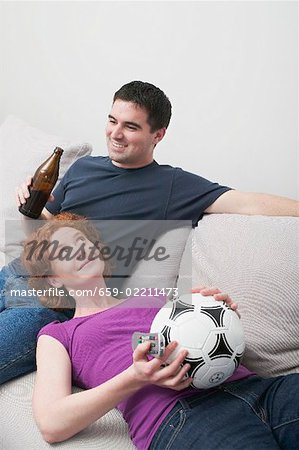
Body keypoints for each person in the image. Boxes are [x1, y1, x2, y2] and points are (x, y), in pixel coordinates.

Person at [0, 80, 298, 385]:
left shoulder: (173, 186)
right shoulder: (83, 168)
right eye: (112, 121)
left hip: (51, 303)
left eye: (130, 126)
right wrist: (31, 208)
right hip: (14, 271)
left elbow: (246, 202)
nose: (115, 134)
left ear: (158, 135)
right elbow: (44, 233)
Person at [21, 213, 299, 450]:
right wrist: (135, 377)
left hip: (258, 388)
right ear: (53, 279)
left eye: (82, 242)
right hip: (184, 416)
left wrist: (220, 318)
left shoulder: (154, 297)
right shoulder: (59, 334)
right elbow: (51, 423)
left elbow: (196, 336)